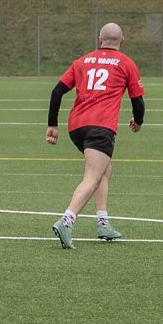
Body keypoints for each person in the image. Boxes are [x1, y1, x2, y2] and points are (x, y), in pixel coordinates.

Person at [46, 22, 145, 249]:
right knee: (92, 176)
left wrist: (52, 124)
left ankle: (103, 222)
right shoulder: (126, 63)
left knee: (105, 170)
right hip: (101, 127)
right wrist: (138, 122)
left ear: (99, 39)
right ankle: (67, 220)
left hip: (77, 127)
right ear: (122, 40)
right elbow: (137, 100)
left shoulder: (82, 61)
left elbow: (57, 91)